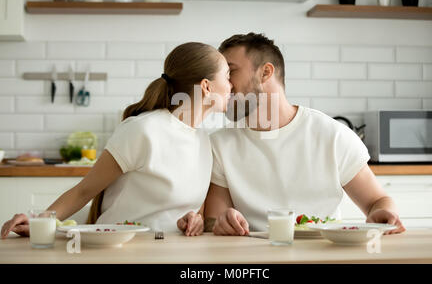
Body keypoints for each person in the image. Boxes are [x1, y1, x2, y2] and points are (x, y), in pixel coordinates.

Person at [1, 42, 232, 239]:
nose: (232, 86)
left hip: (169, 252)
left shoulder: (203, 141)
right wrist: (40, 222)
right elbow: (84, 191)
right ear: (206, 86)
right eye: (227, 77)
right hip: (118, 251)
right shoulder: (144, 130)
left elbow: (183, 211)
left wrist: (193, 220)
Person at [203, 33, 406, 236]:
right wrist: (221, 223)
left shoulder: (332, 135)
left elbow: (376, 201)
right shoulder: (220, 144)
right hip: (256, 256)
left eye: (231, 73)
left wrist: (384, 213)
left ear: (265, 73)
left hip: (323, 252)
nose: (223, 85)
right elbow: (214, 220)